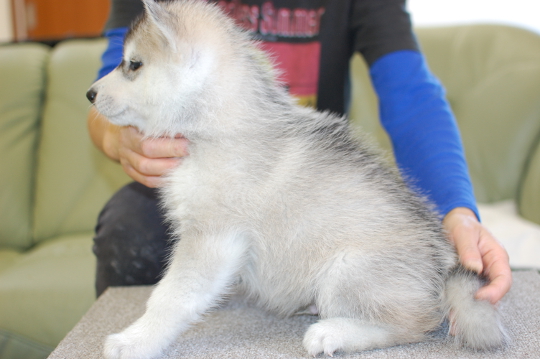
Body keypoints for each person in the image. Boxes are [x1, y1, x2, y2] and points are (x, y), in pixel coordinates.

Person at [89, 0, 512, 305]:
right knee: (128, 231)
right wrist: (115, 137)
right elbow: (110, 85)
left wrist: (457, 212)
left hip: (298, 192)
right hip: (195, 180)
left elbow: (411, 96)